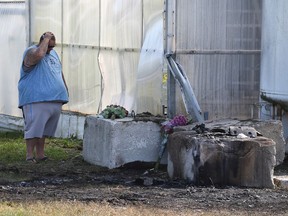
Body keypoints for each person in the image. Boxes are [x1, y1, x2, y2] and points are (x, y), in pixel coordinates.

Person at [18, 32, 69, 163]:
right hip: (35, 98)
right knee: (34, 128)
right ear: (42, 42)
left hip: (55, 98)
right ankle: (29, 155)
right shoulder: (31, 52)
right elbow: (40, 54)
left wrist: (65, 90)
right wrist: (46, 39)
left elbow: (59, 71)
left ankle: (40, 154)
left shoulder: (53, 54)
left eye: (53, 46)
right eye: (49, 45)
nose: (51, 48)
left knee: (44, 129)